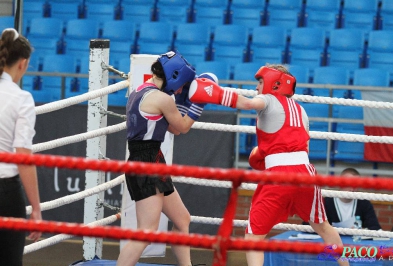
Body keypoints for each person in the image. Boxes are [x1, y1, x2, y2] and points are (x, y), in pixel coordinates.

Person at [188, 64, 349, 266]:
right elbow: (301, 146)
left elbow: (246, 104)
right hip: (306, 173)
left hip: (278, 176)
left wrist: (216, 94)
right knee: (323, 227)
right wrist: (263, 153)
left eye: (260, 82)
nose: (257, 87)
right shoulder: (301, 111)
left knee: (254, 237)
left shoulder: (268, 99)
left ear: (275, 83)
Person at [117, 50, 215, 266]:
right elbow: (183, 127)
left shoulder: (140, 91)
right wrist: (200, 102)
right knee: (146, 232)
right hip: (146, 162)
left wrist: (180, 102)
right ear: (175, 76)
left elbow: (174, 129)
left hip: (151, 159)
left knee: (182, 219)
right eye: (182, 84)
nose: (181, 90)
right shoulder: (161, 98)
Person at [0, 28, 42, 266]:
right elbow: (23, 157)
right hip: (5, 193)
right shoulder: (21, 99)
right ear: (23, 63)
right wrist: (36, 208)